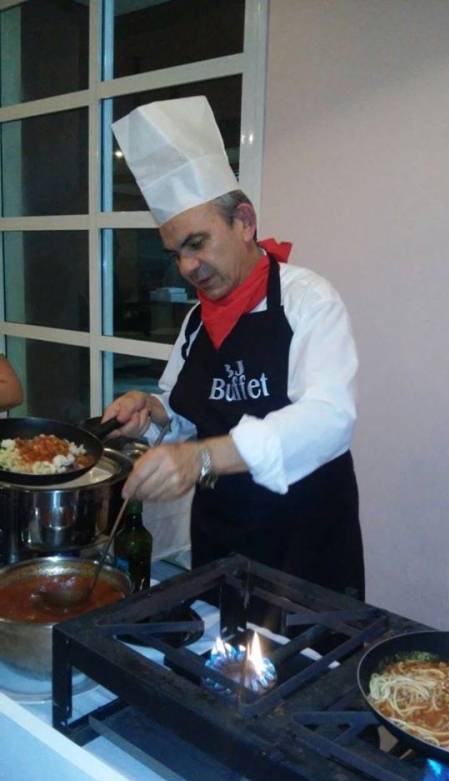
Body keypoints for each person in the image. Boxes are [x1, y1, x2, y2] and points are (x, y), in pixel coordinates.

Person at [103, 97, 364, 600]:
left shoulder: (307, 299)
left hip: (303, 545)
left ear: (243, 221)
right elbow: (186, 413)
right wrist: (153, 413)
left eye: (198, 243)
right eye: (176, 253)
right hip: (220, 541)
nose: (187, 267)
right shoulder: (197, 319)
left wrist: (201, 459)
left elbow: (331, 418)